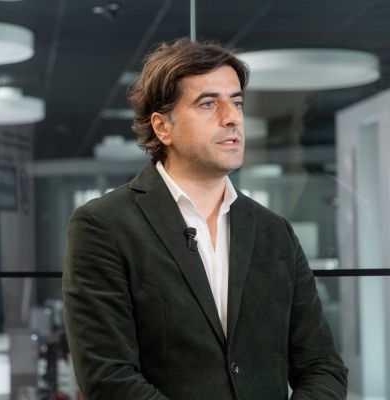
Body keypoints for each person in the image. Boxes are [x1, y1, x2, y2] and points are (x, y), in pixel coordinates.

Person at [62, 37, 348, 400]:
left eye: (237, 102)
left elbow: (323, 366)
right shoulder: (103, 225)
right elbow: (107, 377)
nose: (232, 118)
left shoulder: (275, 231)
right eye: (209, 103)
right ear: (163, 127)